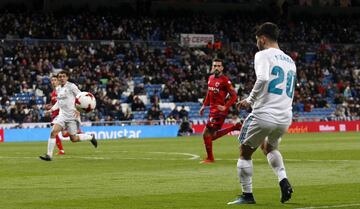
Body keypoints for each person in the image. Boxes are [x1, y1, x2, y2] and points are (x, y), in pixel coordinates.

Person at [227, 22, 295, 205]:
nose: (257, 43)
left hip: (264, 114)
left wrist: (249, 100)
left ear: (263, 39)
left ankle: (247, 195)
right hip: (285, 116)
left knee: (244, 151)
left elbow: (264, 78)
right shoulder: (290, 61)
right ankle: (283, 180)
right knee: (269, 148)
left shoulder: (262, 54)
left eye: (257, 39)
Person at [39, 71, 97, 161]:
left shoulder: (71, 86)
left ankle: (90, 137)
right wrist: (51, 110)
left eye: (64, 76)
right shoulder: (58, 89)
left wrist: (79, 110)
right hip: (62, 116)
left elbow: (81, 97)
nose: (62, 78)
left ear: (67, 77)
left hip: (72, 117)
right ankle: (49, 155)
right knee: (53, 132)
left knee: (73, 139)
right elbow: (59, 102)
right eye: (60, 77)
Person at [199, 58, 241, 164]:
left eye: (218, 66)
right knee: (210, 136)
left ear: (222, 68)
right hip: (212, 110)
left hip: (219, 112)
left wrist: (225, 107)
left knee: (206, 134)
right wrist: (204, 105)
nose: (216, 68)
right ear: (212, 67)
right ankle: (235, 127)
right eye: (215, 66)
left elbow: (234, 96)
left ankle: (210, 158)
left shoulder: (225, 81)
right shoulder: (210, 78)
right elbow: (209, 94)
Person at [44, 75, 65, 155]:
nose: (53, 82)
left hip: (60, 114)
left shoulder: (61, 90)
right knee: (64, 134)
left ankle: (59, 151)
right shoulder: (53, 92)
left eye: (55, 80)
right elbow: (55, 103)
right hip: (55, 114)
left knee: (54, 132)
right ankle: (61, 150)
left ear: (58, 81)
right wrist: (49, 106)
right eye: (52, 80)